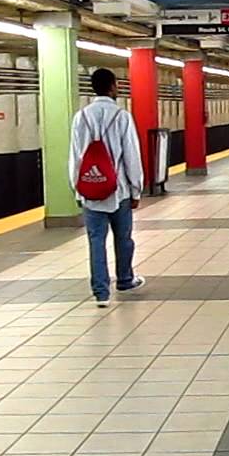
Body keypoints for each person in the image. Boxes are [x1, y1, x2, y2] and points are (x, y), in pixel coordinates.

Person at [69, 68, 146, 307]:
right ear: (113, 87)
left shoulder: (80, 117)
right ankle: (125, 279)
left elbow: (76, 157)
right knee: (123, 239)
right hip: (119, 190)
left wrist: (78, 188)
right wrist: (136, 190)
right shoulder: (122, 117)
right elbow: (132, 156)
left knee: (96, 242)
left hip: (91, 192)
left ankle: (101, 293)